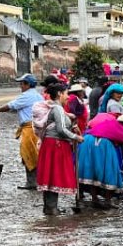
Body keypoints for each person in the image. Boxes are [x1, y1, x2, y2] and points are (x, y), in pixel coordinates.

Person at [0, 74, 44, 190]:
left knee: (28, 155)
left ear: (27, 84)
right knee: (37, 155)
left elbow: (11, 105)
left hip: (30, 129)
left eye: (22, 84)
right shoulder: (39, 96)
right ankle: (38, 181)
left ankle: (31, 182)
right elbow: (18, 109)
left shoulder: (26, 95)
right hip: (38, 129)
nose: (20, 86)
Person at [36, 83, 83, 215]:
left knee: (51, 175)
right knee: (53, 175)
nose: (68, 97)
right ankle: (51, 207)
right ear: (59, 94)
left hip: (52, 144)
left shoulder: (58, 109)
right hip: (55, 145)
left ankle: (49, 207)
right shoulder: (57, 108)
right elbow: (61, 129)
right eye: (66, 93)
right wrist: (75, 137)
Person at [77, 111, 123, 208]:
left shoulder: (96, 120)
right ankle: (108, 200)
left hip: (88, 141)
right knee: (109, 170)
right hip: (105, 144)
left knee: (91, 170)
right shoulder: (114, 123)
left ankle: (94, 198)